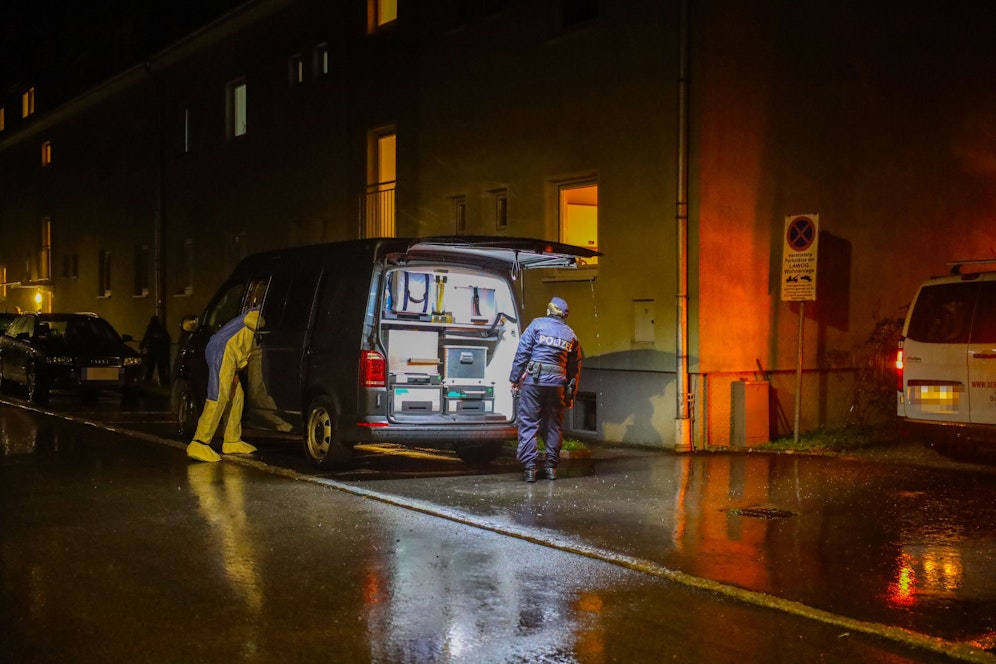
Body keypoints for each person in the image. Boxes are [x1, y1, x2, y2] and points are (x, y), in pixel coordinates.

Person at [509, 296, 582, 482]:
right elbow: (575, 368)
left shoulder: (536, 325)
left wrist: (515, 378)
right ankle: (551, 468)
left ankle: (530, 469)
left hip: (534, 381)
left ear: (550, 309)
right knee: (554, 426)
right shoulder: (571, 335)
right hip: (557, 385)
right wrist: (570, 394)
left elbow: (522, 352)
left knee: (528, 424)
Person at [186, 309, 263, 463]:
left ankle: (232, 441)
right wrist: (265, 323)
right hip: (223, 350)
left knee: (236, 395)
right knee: (219, 395)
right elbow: (251, 320)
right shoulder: (257, 312)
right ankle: (199, 442)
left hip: (231, 354)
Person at [139, 315, 172, 386]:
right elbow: (168, 339)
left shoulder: (151, 329)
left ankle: (148, 383)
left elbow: (145, 338)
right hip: (159, 353)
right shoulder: (161, 329)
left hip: (153, 352)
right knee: (159, 370)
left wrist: (141, 346)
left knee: (151, 369)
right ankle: (162, 384)